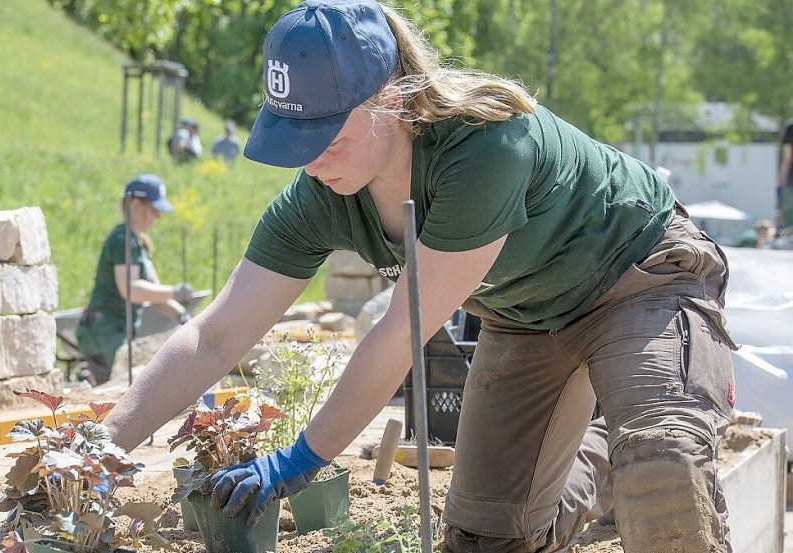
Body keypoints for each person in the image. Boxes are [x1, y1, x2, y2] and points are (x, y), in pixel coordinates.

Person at [104, 2, 737, 552]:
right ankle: (603, 449)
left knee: (661, 468)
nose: (308, 157)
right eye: (291, 135)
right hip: (525, 318)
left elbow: (397, 337)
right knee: (490, 537)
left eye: (323, 132)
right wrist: (99, 451)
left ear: (389, 99)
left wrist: (300, 459)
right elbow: (215, 337)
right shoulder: (319, 198)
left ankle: (643, 435)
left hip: (641, 280)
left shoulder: (485, 146)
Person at [75, 174, 194, 385]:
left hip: (117, 331)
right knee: (119, 390)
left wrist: (183, 316)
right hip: (105, 331)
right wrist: (176, 291)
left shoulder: (137, 243)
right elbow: (131, 290)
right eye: (152, 209)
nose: (156, 216)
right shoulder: (122, 240)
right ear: (134, 204)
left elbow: (154, 293)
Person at [777, 117, 793, 230]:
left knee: (788, 224)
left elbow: (788, 158)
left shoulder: (791, 127)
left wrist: (781, 183)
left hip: (791, 183)